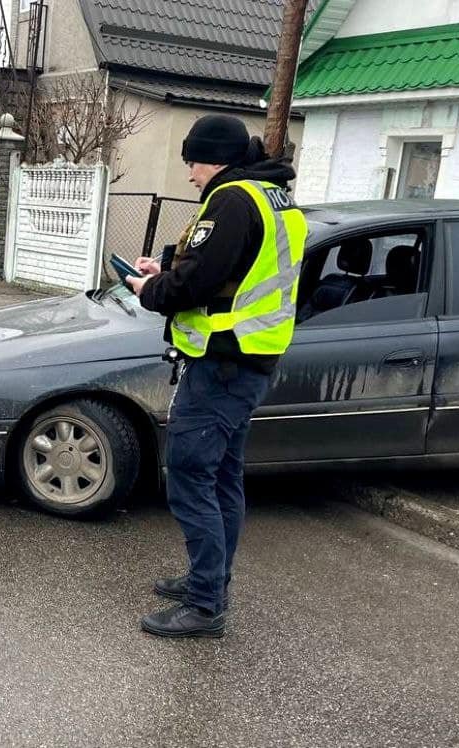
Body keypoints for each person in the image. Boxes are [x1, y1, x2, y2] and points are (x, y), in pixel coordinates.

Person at [125, 115, 308, 638]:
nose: (189, 174)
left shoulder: (231, 199)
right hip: (247, 360)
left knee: (189, 477)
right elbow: (237, 275)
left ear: (216, 157)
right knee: (223, 477)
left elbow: (199, 283)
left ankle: (205, 604)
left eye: (193, 162)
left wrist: (151, 291)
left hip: (222, 362)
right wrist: (169, 272)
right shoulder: (275, 198)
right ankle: (209, 580)